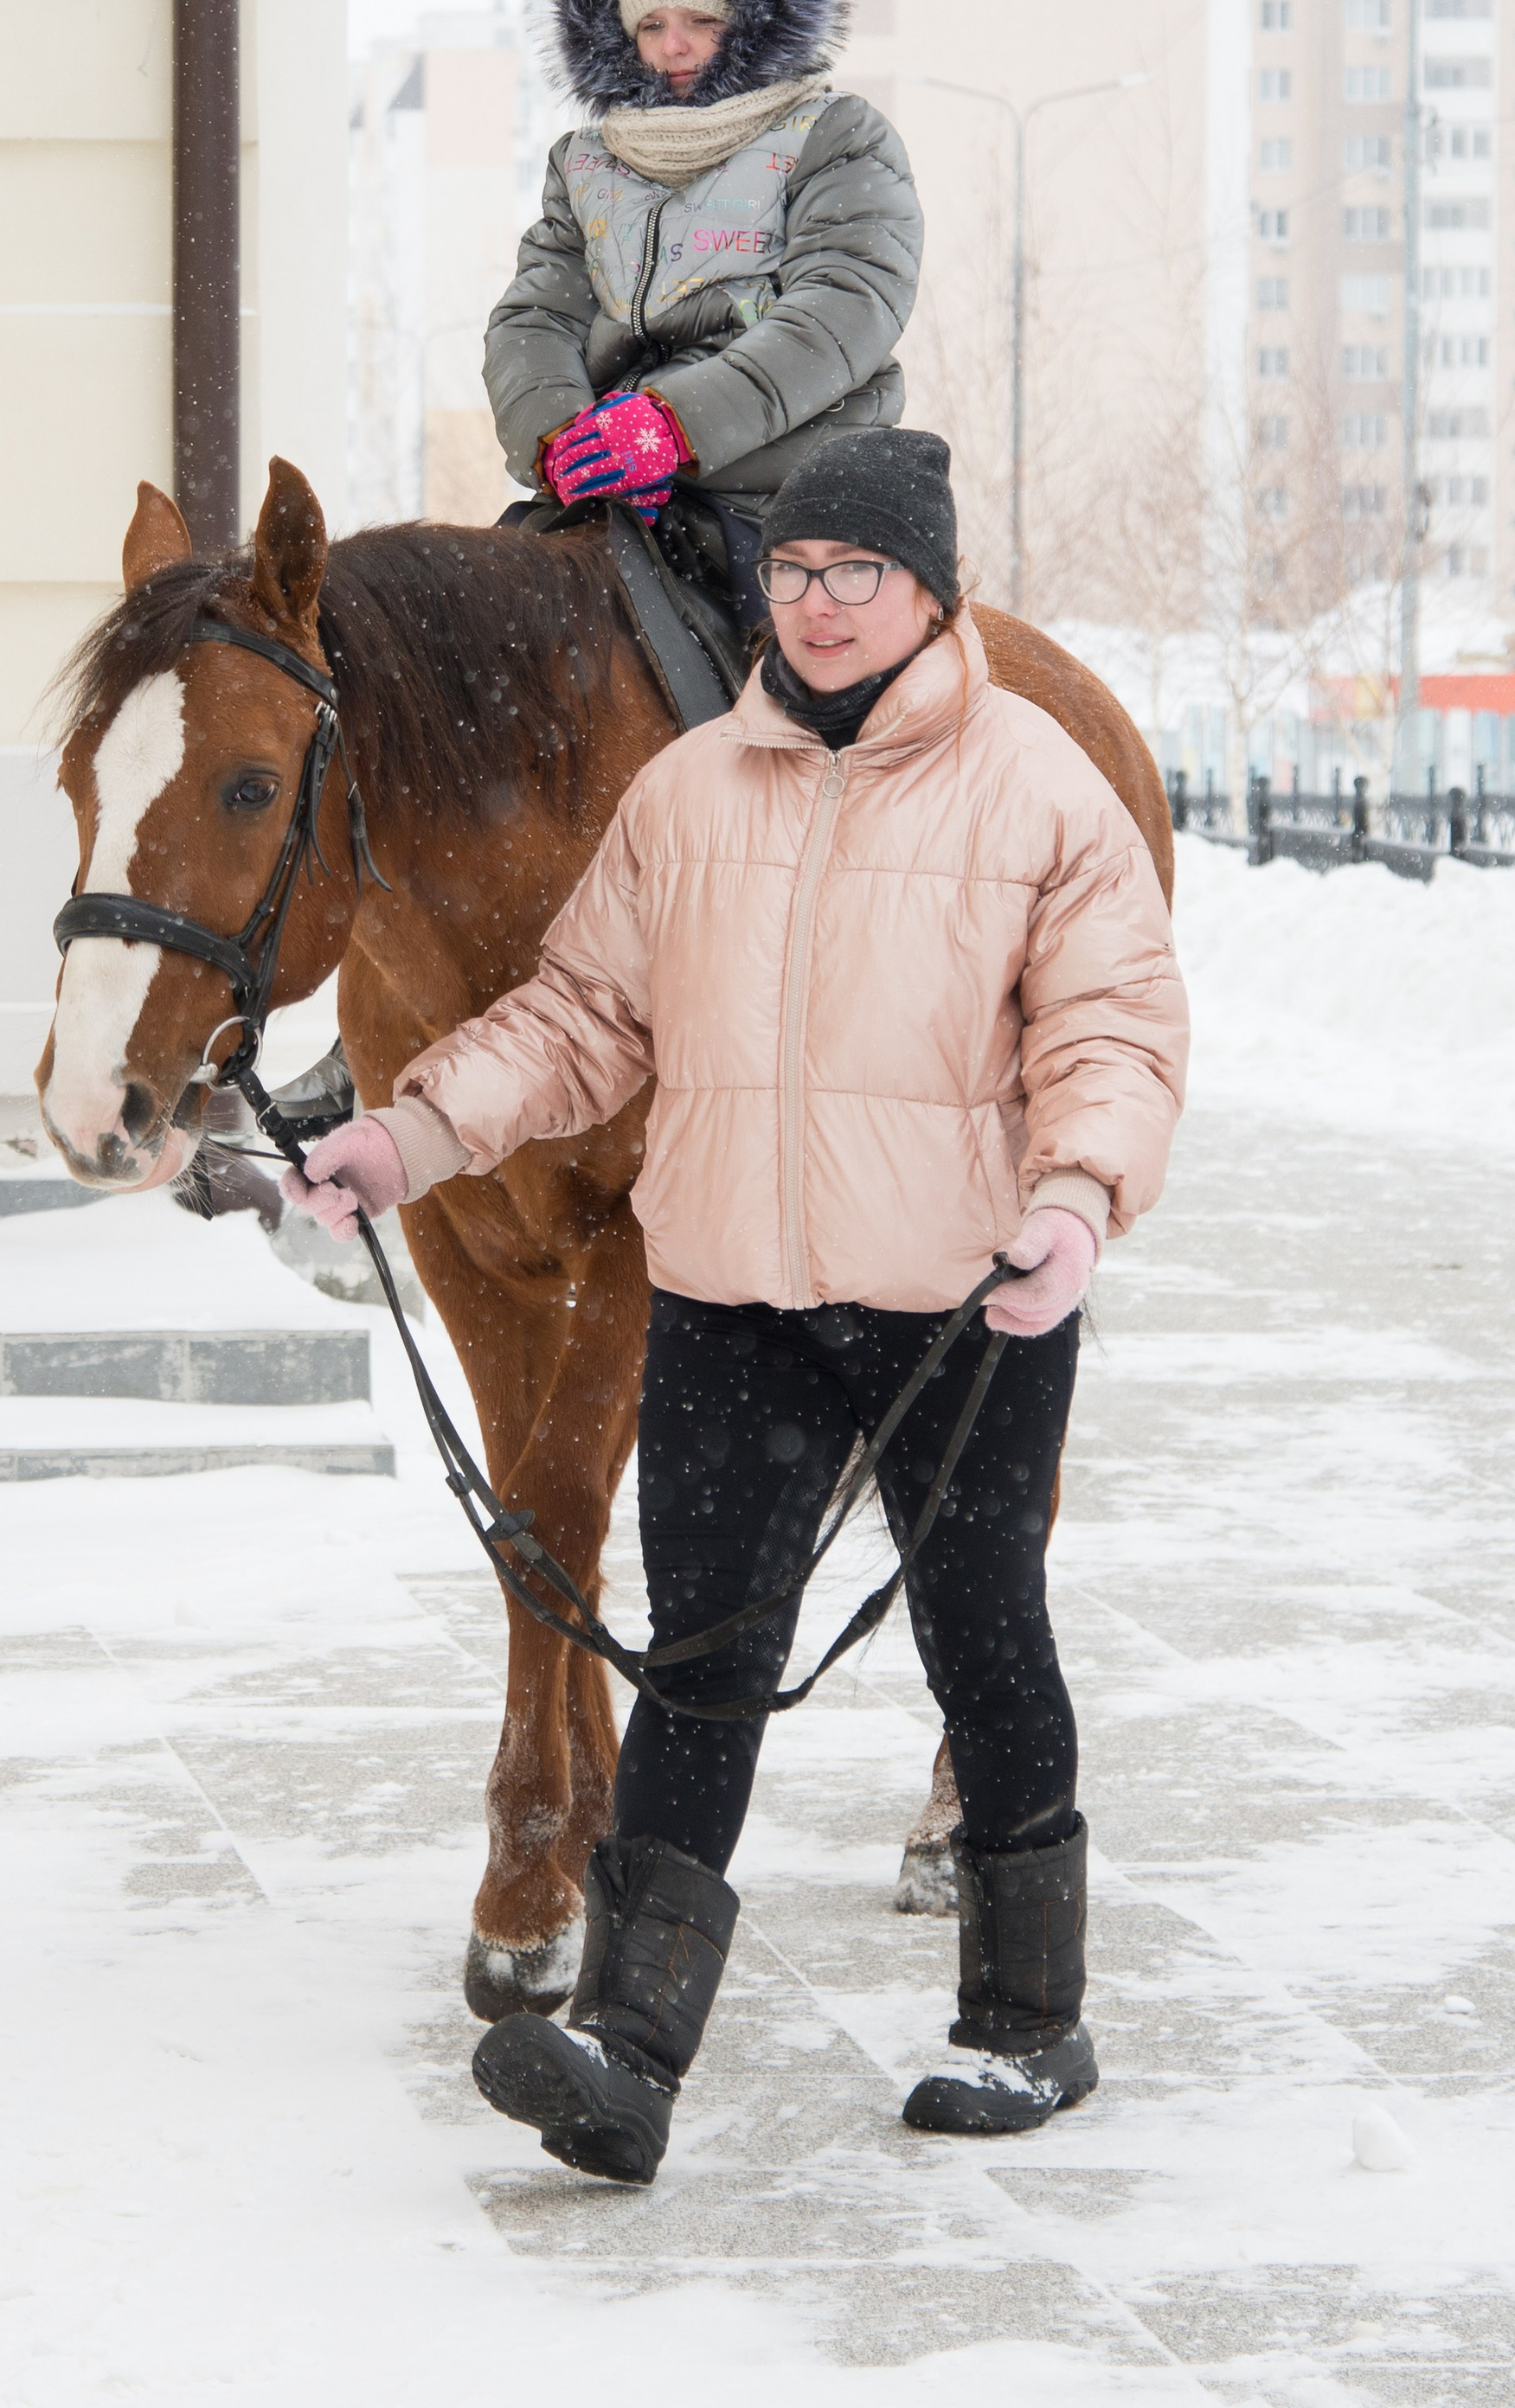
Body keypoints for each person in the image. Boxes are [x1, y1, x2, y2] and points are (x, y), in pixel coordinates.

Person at [285, 432, 1189, 2187]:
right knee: (704, 1663)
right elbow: (581, 1020)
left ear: (927, 589)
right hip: (731, 1298)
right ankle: (629, 2052)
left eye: (861, 573)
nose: (822, 604)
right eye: (795, 572)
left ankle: (1024, 2022)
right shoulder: (691, 792)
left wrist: (1074, 1194)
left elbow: (1114, 1029)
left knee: (982, 1629)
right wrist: (405, 1132)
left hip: (959, 1300)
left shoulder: (1037, 792)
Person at [484, 0, 926, 554]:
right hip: (611, 493)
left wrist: (674, 425)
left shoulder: (836, 135)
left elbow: (842, 308)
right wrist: (561, 438)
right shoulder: (585, 162)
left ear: (752, 22)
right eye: (651, 23)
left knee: (812, 648)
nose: (673, 46)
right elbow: (536, 319)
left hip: (785, 488)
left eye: (701, 20)